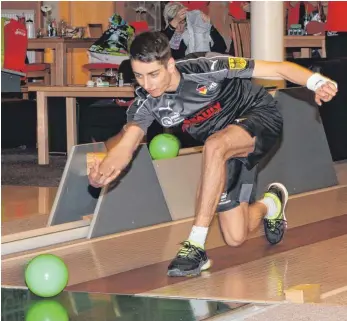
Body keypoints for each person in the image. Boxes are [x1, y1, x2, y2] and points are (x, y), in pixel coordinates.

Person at [88, 31, 338, 277]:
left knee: (214, 145)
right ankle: (271, 203)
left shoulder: (207, 66)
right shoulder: (148, 101)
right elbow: (127, 144)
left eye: (154, 74)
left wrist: (317, 83)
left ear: (170, 64)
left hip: (260, 117)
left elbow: (279, 68)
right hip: (225, 147)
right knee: (235, 236)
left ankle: (195, 245)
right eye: (139, 76)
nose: (147, 84)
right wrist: (105, 170)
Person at [162, 2, 227, 60]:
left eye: (181, 22)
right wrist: (173, 24)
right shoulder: (167, 36)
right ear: (169, 22)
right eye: (176, 23)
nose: (178, 27)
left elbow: (221, 49)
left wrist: (211, 27)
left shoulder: (194, 33)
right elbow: (157, 47)